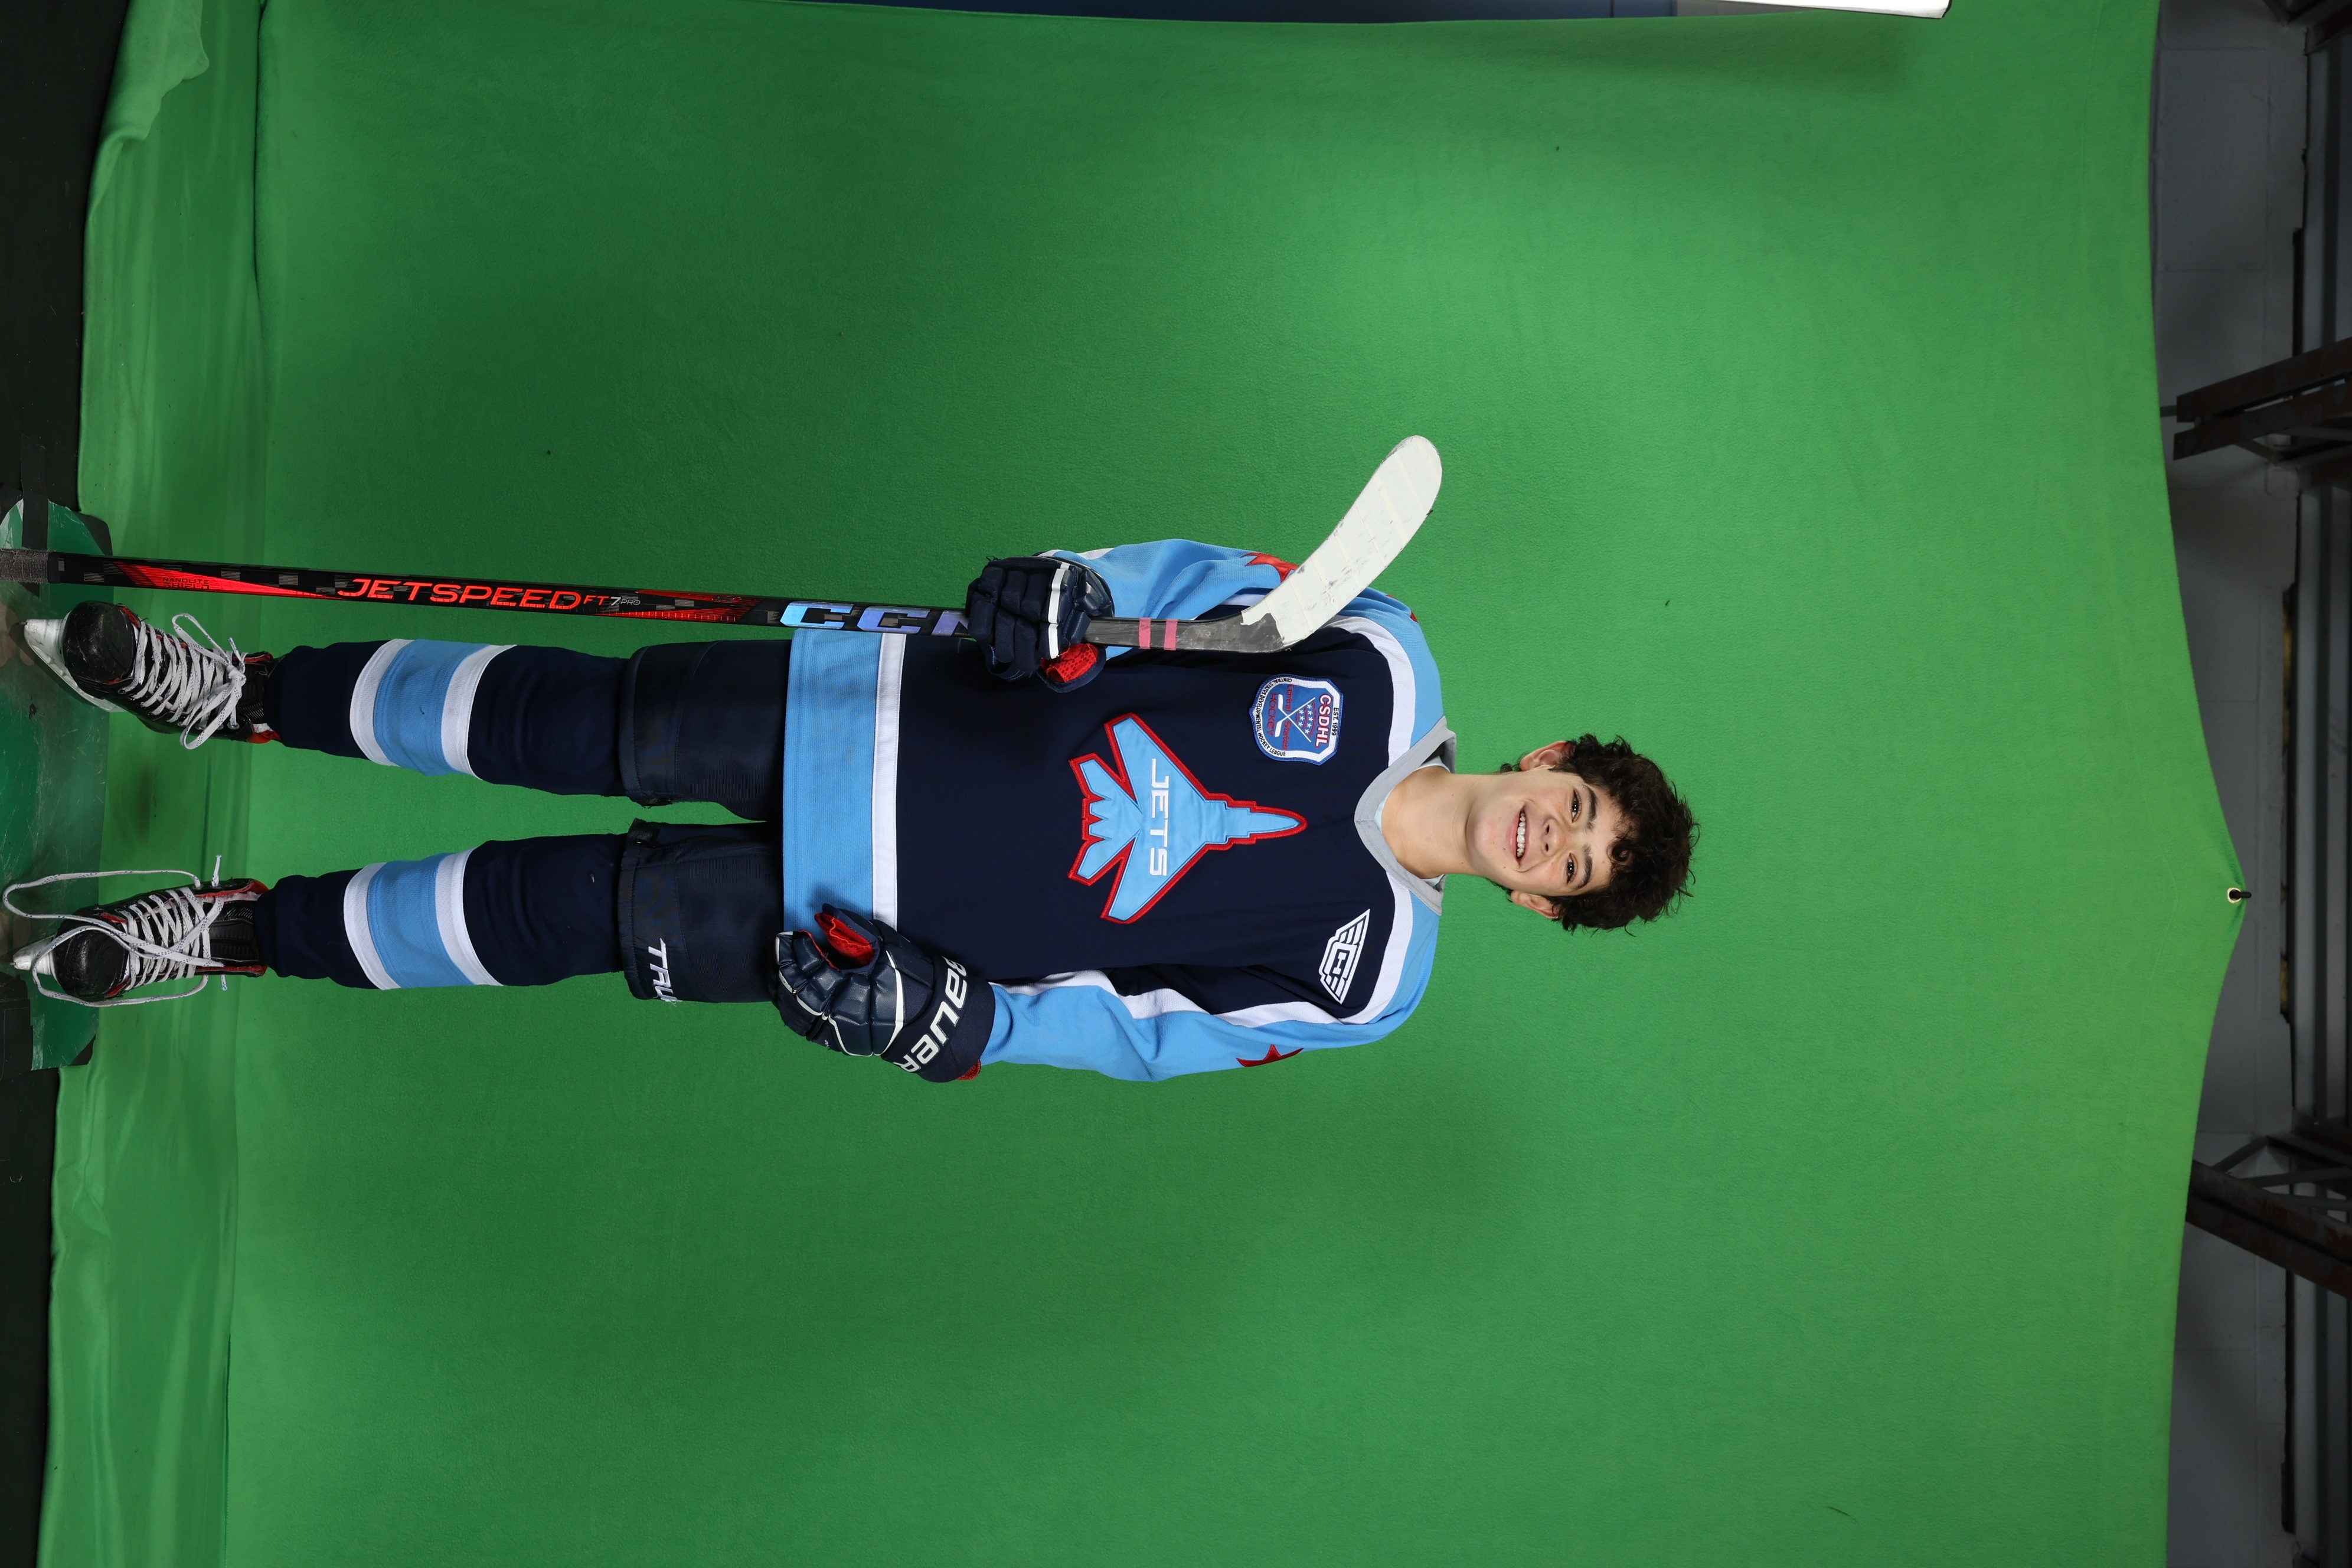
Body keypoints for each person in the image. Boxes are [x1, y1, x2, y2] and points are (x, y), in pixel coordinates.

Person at [5, 543, 1696, 1082]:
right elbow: (1178, 589)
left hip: (880, 927)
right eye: (1577, 805)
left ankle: (229, 936)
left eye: (1579, 865)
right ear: (1550, 755)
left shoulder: (1365, 982)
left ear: (1541, 905)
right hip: (885, 714)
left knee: (543, 915)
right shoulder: (1381, 656)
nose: (1555, 836)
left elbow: (1148, 1035)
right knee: (550, 715)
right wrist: (1066, 589)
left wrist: (960, 1027)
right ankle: (240, 692)